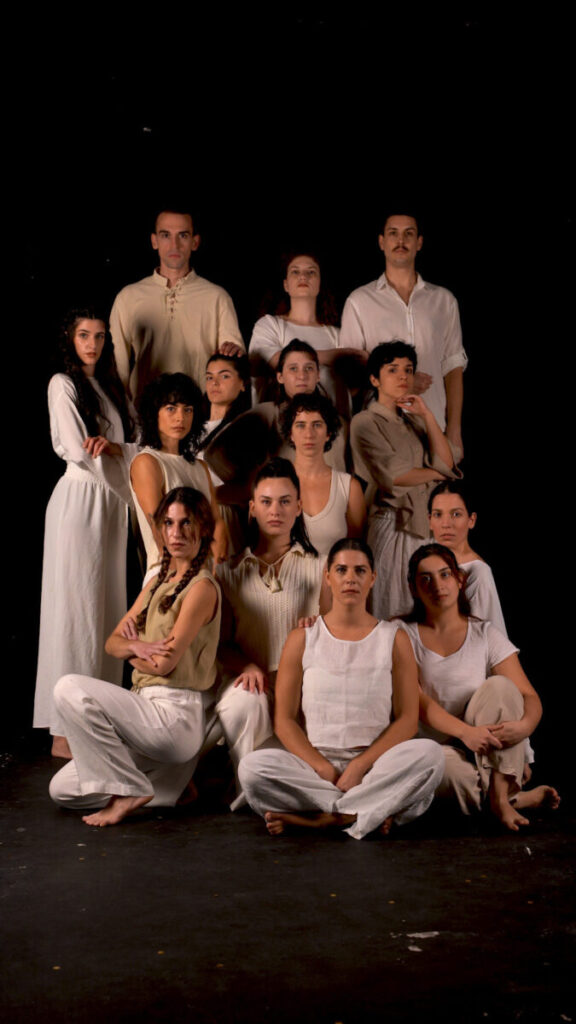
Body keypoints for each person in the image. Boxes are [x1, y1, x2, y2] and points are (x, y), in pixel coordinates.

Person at [239, 537, 444, 839]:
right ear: (327, 577)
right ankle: (365, 811)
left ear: (373, 578)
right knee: (252, 768)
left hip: (376, 765)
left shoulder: (394, 638)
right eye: (341, 570)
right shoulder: (303, 637)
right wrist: (322, 768)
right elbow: (284, 721)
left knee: (430, 755)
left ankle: (325, 818)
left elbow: (407, 720)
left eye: (360, 571)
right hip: (315, 766)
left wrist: (360, 766)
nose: (350, 578)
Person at [49, 488, 222, 826]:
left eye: (186, 523)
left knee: (68, 687)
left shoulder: (202, 588)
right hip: (142, 717)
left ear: (202, 527)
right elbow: (111, 643)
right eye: (168, 523)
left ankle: (131, 790)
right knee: (62, 790)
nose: (176, 532)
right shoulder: (158, 580)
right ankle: (168, 787)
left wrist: (131, 650)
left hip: (174, 718)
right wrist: (136, 647)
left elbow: (163, 664)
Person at [34, 309, 137, 760]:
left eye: (99, 336)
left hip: (113, 505)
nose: (92, 344)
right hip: (80, 502)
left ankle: (98, 720)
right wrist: (116, 456)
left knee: (106, 609)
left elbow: (135, 446)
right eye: (83, 335)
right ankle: (64, 730)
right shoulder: (63, 384)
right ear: (70, 339)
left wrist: (117, 451)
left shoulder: (114, 388)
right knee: (74, 612)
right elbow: (80, 451)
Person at [400, 543, 560, 831]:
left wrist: (524, 728)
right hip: (435, 749)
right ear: (413, 588)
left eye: (445, 575)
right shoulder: (402, 633)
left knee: (501, 687)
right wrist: (466, 733)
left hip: (486, 746)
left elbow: (529, 696)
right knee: (437, 771)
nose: (437, 585)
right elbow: (417, 702)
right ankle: (514, 799)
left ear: (459, 580)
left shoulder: (485, 633)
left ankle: (498, 798)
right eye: (425, 579)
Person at [340, 212, 467, 453]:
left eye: (409, 234)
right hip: (381, 431)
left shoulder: (444, 301)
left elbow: (453, 368)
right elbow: (351, 372)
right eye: (393, 233)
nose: (401, 240)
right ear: (381, 242)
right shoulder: (359, 301)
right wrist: (403, 382)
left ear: (419, 243)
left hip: (434, 428)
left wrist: (454, 428)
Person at [351, 341, 460, 620]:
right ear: (375, 379)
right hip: (393, 523)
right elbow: (395, 475)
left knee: (429, 614)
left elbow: (447, 461)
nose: (403, 376)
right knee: (391, 610)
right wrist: (438, 473)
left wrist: (427, 415)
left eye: (408, 370)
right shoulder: (365, 421)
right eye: (393, 369)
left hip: (426, 525)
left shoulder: (415, 421)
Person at [110, 207, 244, 402]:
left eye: (183, 235)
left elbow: (233, 363)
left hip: (199, 410)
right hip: (144, 411)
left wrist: (234, 352)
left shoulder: (218, 297)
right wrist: (123, 411)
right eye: (166, 235)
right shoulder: (128, 297)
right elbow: (117, 365)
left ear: (194, 242)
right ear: (154, 241)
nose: (175, 244)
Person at [206, 340, 348, 500]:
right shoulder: (267, 413)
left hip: (329, 505)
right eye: (293, 368)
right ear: (280, 377)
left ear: (318, 376)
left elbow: (344, 474)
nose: (302, 376)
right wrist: (254, 487)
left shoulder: (338, 421)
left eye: (309, 368)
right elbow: (215, 455)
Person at [130, 373, 227, 579]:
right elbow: (160, 531)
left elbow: (217, 524)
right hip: (168, 573)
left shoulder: (200, 467)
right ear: (154, 413)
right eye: (171, 408)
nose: (180, 418)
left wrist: (212, 575)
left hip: (204, 575)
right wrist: (182, 581)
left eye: (188, 409)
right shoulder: (147, 462)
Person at [249, 250, 349, 412]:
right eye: (295, 272)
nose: (303, 277)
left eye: (311, 272)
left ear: (319, 283)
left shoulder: (336, 334)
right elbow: (273, 360)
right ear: (286, 285)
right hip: (279, 421)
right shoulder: (269, 325)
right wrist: (339, 355)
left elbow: (354, 368)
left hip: (329, 422)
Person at [280, 393, 366, 558]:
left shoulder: (349, 487)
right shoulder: (274, 483)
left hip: (333, 574)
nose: (309, 434)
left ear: (329, 433)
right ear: (290, 433)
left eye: (317, 424)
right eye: (300, 425)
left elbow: (355, 553)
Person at [428, 480, 507, 634]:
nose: (446, 524)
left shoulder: (478, 572)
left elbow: (481, 635)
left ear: (471, 520)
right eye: (438, 514)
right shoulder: (423, 563)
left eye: (456, 514)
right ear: (429, 520)